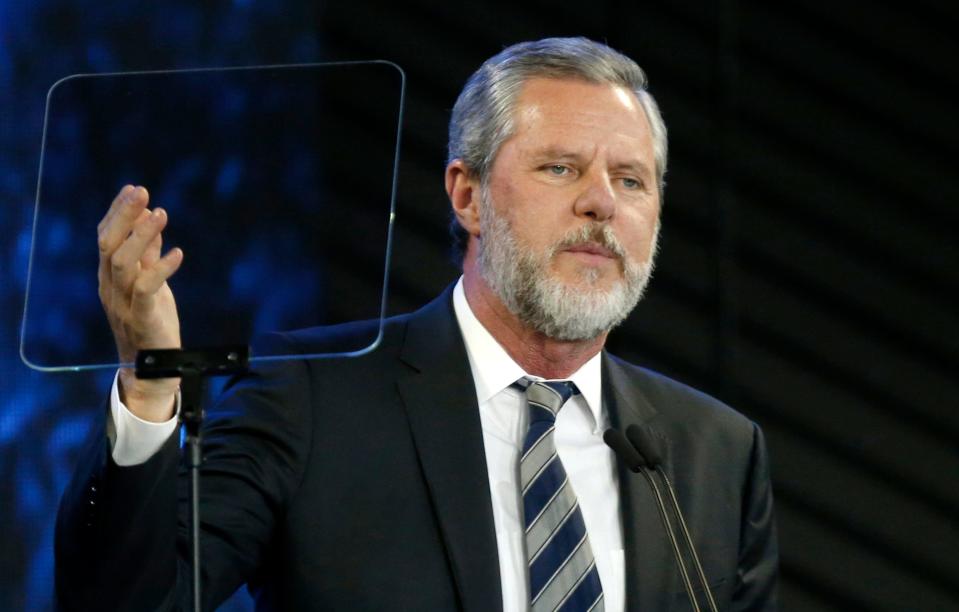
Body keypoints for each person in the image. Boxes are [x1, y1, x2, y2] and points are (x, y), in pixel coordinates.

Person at [55, 37, 778, 611]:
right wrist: (149, 390)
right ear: (467, 196)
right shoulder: (310, 396)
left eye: (630, 179)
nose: (601, 204)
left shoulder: (713, 452)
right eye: (559, 169)